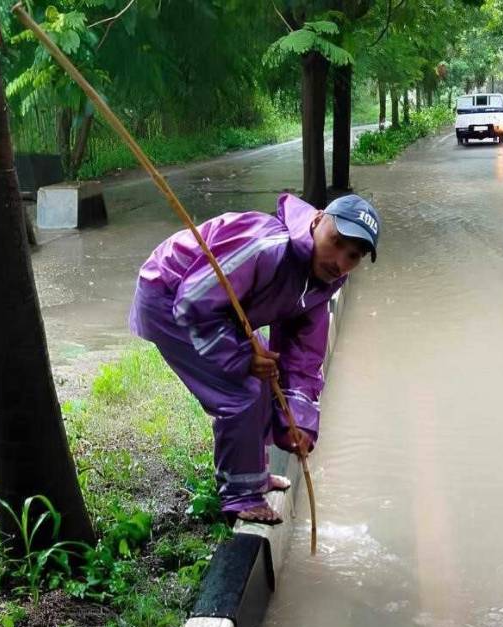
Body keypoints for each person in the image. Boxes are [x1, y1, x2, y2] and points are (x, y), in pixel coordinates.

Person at [129, 193, 381, 524]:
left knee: (268, 376)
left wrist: (297, 419)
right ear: (318, 220)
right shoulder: (266, 245)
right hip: (170, 298)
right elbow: (192, 301)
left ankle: (253, 476)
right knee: (242, 392)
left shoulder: (321, 283)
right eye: (336, 242)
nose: (339, 261)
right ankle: (239, 496)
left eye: (352, 256)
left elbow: (304, 355)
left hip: (218, 311)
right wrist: (243, 358)